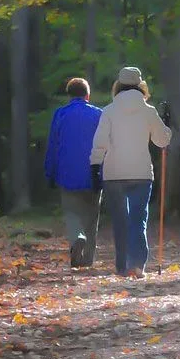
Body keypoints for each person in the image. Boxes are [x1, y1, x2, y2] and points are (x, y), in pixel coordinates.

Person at [90, 67, 172, 278]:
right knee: (138, 219)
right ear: (140, 85)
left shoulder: (108, 111)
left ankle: (121, 266)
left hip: (114, 173)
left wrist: (95, 165)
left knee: (120, 220)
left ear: (118, 85)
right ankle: (137, 265)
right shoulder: (149, 111)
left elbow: (100, 142)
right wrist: (167, 126)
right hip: (141, 173)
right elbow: (162, 141)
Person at [44, 77, 103, 268]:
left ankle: (77, 237)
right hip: (93, 173)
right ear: (88, 95)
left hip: (67, 173)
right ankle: (88, 259)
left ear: (69, 96)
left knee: (71, 212)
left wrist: (50, 172)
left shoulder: (60, 114)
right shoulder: (98, 115)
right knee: (92, 216)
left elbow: (53, 145)